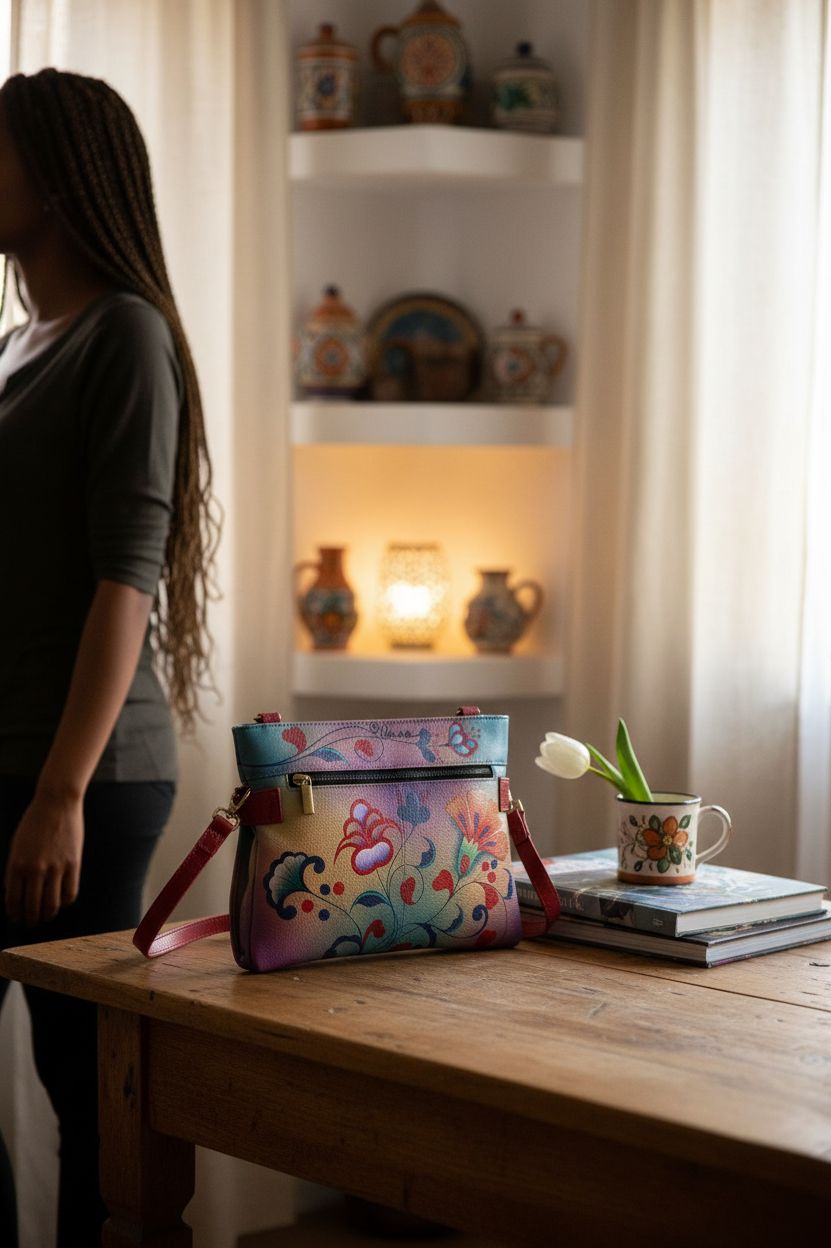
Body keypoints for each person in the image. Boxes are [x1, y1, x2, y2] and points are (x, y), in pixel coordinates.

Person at [0, 67, 219, 1247]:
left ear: (57, 177)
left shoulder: (126, 337)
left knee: (86, 1090)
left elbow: (124, 577)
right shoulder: (20, 341)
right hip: (18, 763)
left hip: (81, 779)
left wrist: (58, 793)